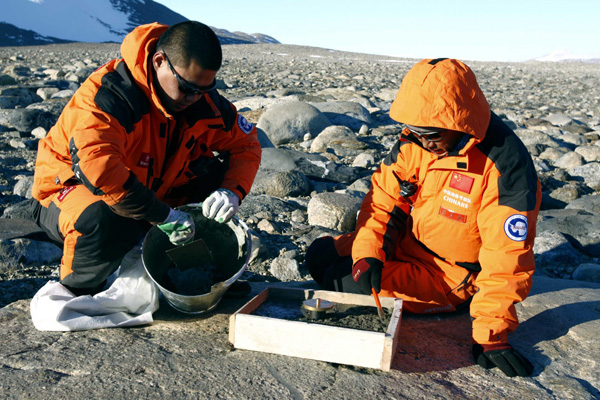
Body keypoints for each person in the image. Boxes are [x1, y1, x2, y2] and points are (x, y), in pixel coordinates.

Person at [305, 58, 541, 377]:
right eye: (416, 132)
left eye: (431, 135)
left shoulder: (505, 166)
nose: (423, 142)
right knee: (322, 256)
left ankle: (453, 304)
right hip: (409, 241)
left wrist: (492, 335)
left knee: (344, 282)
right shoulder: (415, 140)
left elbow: (507, 256)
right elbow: (385, 199)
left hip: (448, 274)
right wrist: (368, 254)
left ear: (461, 123)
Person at [30, 21, 261, 296]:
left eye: (205, 89)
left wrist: (231, 191)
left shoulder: (202, 99)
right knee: (105, 219)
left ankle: (197, 282)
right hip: (66, 189)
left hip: (151, 187)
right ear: (159, 61)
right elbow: (99, 171)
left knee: (210, 196)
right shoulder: (108, 97)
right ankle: (79, 291)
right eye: (187, 88)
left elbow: (245, 145)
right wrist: (163, 214)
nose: (195, 98)